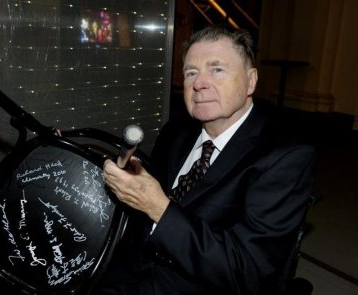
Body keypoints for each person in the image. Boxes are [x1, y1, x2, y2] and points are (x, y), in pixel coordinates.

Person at [93, 24, 315, 295]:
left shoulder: (284, 157)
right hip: (130, 271)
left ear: (251, 81)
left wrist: (158, 206)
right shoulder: (176, 132)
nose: (199, 83)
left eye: (217, 69)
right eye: (191, 72)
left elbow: (248, 273)